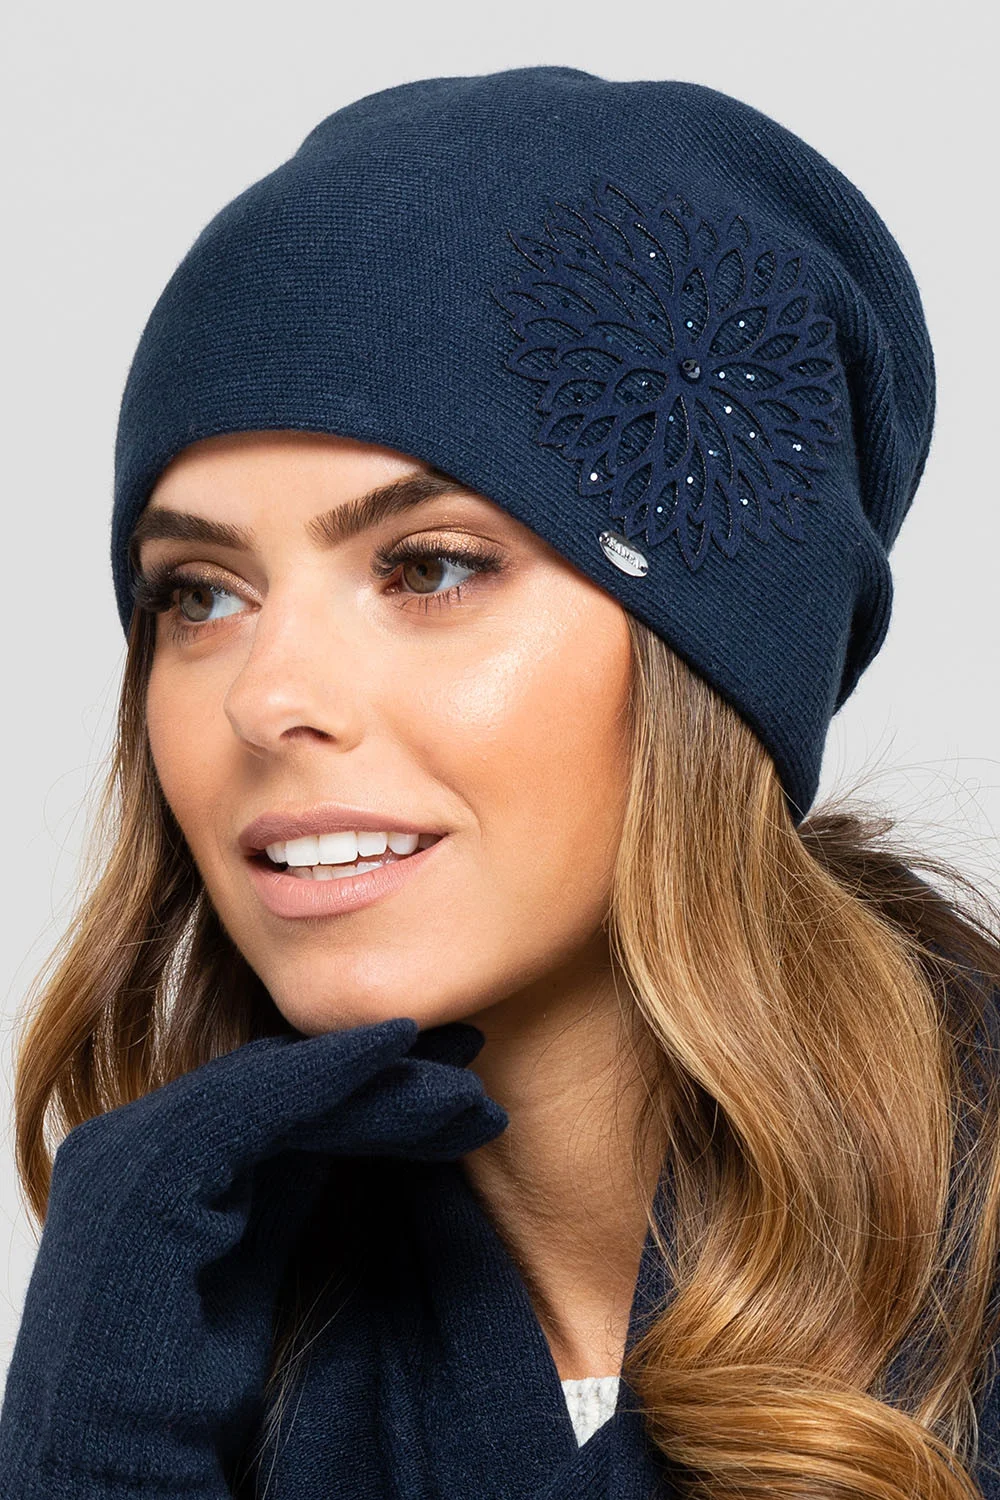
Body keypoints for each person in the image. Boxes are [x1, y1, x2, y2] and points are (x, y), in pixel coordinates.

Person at [1, 62, 998, 1500]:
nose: (266, 699)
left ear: (710, 660)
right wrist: (94, 1439)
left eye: (430, 567)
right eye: (199, 594)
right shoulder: (202, 1310)